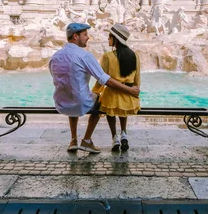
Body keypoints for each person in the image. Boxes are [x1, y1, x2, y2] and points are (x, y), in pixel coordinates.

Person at [49, 22, 140, 154]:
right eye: (85, 35)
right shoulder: (84, 55)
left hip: (61, 103)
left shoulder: (55, 56)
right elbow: (105, 79)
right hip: (80, 103)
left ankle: (73, 140)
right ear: (75, 36)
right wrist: (130, 90)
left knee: (73, 94)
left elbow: (56, 78)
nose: (88, 38)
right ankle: (86, 140)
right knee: (99, 101)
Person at [92, 24, 140, 152]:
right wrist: (135, 91)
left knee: (111, 112)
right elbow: (137, 80)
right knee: (122, 110)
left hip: (111, 95)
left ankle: (115, 138)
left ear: (116, 39)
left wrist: (94, 91)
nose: (108, 40)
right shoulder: (135, 55)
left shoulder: (108, 56)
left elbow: (102, 78)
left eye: (110, 37)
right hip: (129, 97)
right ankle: (124, 133)